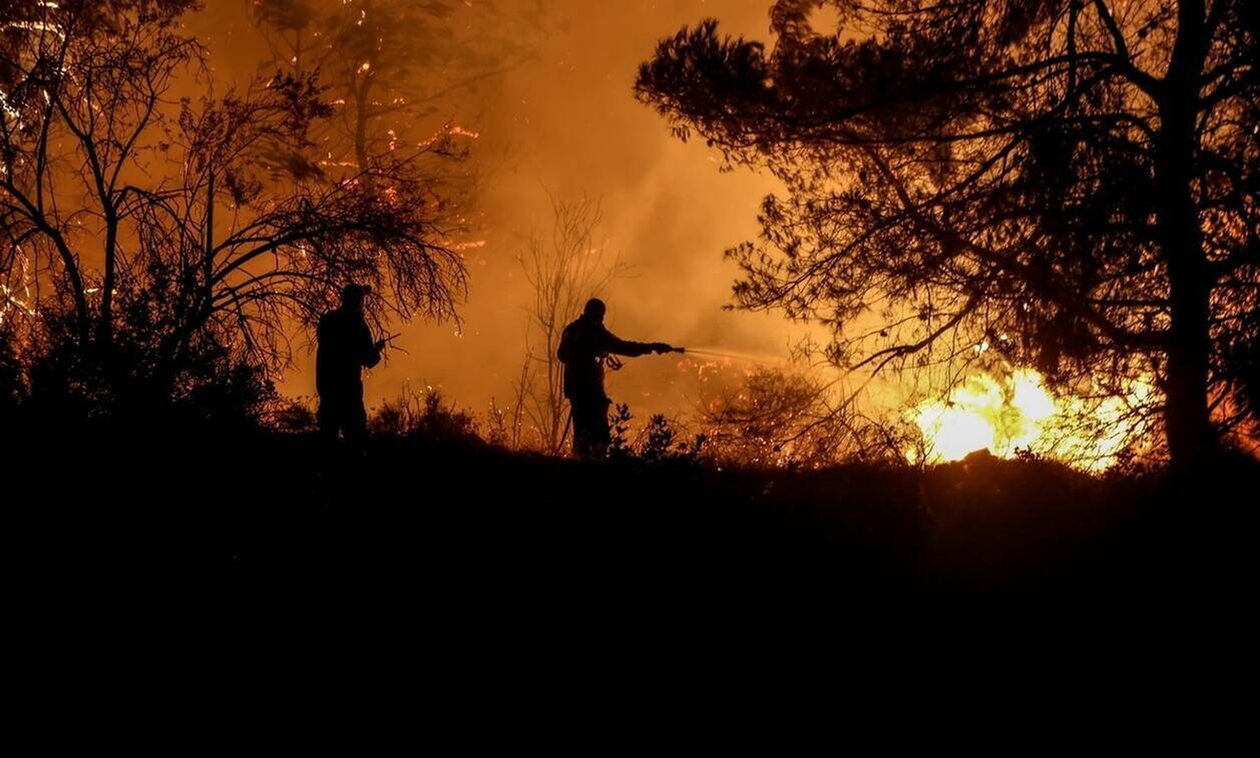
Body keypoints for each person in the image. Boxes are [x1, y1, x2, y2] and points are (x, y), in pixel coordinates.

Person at [557, 298, 677, 458]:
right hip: (591, 391)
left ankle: (580, 462)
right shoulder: (595, 332)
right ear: (598, 315)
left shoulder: (571, 330)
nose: (601, 319)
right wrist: (652, 347)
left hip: (575, 391)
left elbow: (561, 355)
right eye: (601, 316)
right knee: (599, 436)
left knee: (582, 434)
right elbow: (624, 347)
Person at [316, 283, 385, 447]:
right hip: (349, 392)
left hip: (327, 389)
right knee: (356, 443)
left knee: (327, 441)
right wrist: (376, 349)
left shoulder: (327, 320)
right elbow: (369, 360)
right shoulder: (358, 325)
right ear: (359, 301)